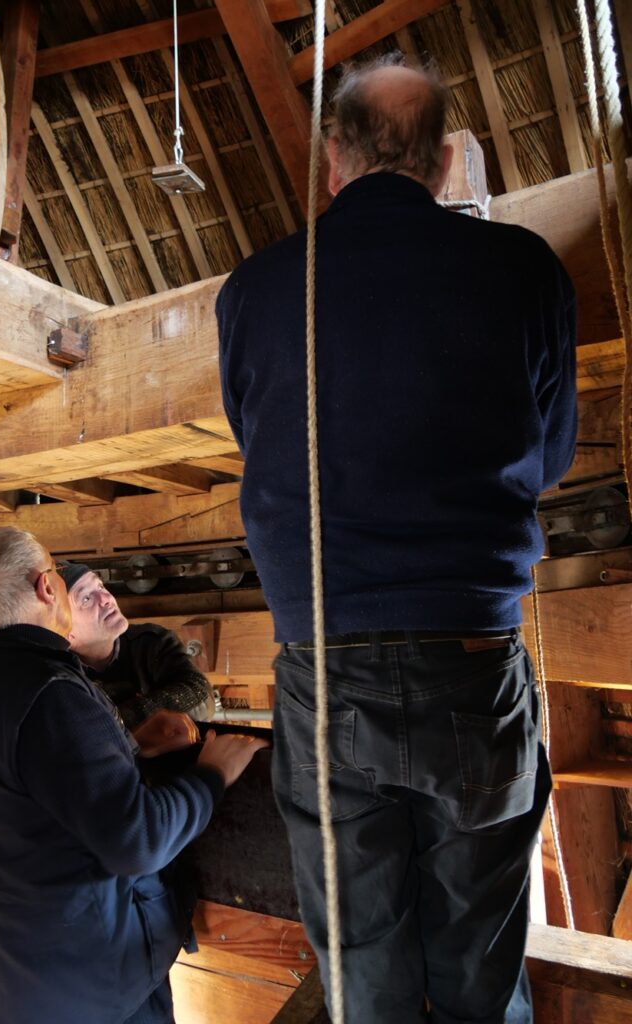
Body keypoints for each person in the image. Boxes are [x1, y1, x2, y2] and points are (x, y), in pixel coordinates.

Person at [217, 55, 576, 1024]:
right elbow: (547, 460)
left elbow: (263, 442)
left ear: (333, 158)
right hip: (472, 652)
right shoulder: (524, 267)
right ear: (447, 160)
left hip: (324, 658)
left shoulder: (254, 289)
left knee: (361, 967)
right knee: (481, 958)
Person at [0, 526, 267, 1024]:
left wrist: (127, 748)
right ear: (47, 588)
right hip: (89, 991)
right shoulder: (52, 690)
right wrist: (212, 775)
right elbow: (138, 841)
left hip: (11, 986)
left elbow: (42, 797)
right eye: (58, 572)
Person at [59, 561, 215, 730]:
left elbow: (201, 694)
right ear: (65, 631)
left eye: (101, 587)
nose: (106, 599)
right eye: (86, 599)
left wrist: (119, 719)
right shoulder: (59, 676)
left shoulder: (151, 642)